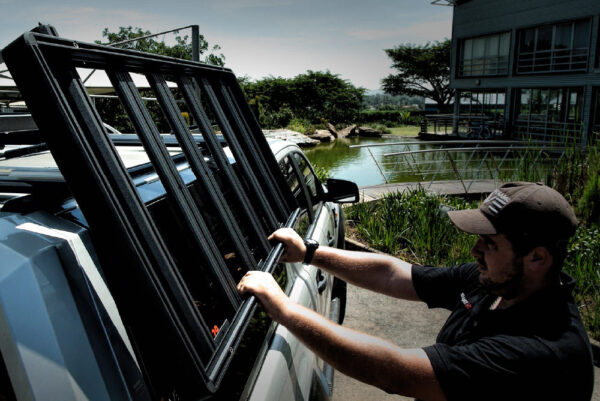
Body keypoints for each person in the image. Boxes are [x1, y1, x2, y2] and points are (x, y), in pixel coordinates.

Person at [237, 182, 594, 401]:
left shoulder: (543, 353)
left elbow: (397, 373)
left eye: (489, 244)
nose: (475, 252)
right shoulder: (496, 282)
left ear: (537, 257)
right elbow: (395, 274)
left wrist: (284, 309)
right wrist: (310, 253)